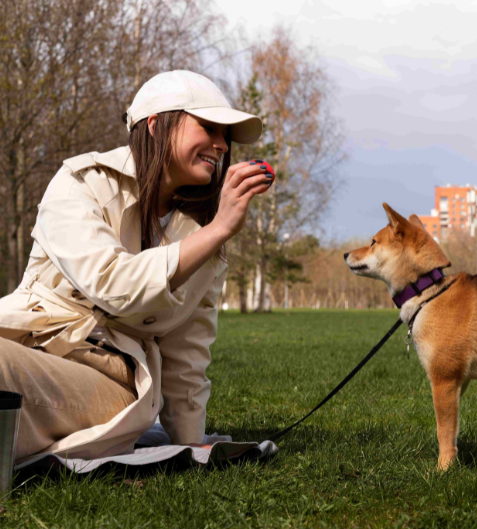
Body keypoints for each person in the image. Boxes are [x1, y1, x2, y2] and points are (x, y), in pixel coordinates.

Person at [0, 70, 273, 461]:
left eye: (225, 137)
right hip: (24, 345)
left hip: (109, 379)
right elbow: (113, 282)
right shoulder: (80, 183)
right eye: (209, 128)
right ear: (155, 124)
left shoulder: (205, 238)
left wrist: (190, 440)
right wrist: (215, 231)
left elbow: (187, 352)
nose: (220, 145)